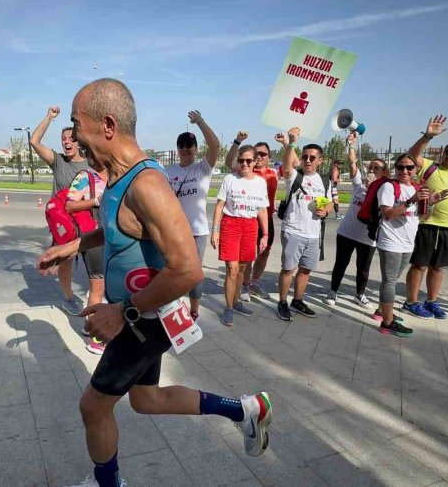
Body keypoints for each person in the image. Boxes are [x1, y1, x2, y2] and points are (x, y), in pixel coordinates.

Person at [37, 78, 273, 487]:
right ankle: (245, 409)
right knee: (147, 400)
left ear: (107, 125)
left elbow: (188, 270)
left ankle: (107, 484)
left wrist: (122, 311)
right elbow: (113, 229)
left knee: (93, 408)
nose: (74, 136)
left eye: (77, 124)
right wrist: (71, 244)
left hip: (142, 317)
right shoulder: (114, 177)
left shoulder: (146, 183)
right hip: (139, 314)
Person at [403, 115, 448, 319]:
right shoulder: (431, 167)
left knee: (438, 267)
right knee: (419, 265)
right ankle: (411, 302)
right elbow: (412, 155)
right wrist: (427, 136)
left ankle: (432, 300)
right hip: (427, 225)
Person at [30, 106, 90, 316]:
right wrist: (49, 117)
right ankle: (68, 298)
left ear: (79, 141)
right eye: (63, 138)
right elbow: (34, 142)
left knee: (94, 265)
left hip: (89, 225)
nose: (66, 141)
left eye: (70, 138)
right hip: (65, 225)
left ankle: (96, 298)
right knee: (64, 262)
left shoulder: (91, 165)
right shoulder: (58, 162)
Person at [374, 154, 443, 336]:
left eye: (409, 168)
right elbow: (388, 214)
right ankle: (387, 322)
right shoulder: (388, 187)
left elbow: (423, 216)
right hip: (390, 241)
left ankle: (382, 311)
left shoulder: (417, 187)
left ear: (415, 170)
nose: (404, 171)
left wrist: (430, 203)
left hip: (407, 243)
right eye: (400, 167)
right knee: (389, 282)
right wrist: (411, 200)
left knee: (393, 279)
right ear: (395, 169)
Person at [165, 110, 220, 320]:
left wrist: (200, 122)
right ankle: (174, 307)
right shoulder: (169, 172)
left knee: (195, 274)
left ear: (196, 149)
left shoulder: (203, 168)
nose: (186, 149)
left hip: (197, 231)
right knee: (174, 271)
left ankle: (194, 309)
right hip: (175, 231)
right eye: (182, 146)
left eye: (190, 145)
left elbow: (215, 146)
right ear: (177, 149)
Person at [275, 128, 334, 321]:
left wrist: (326, 210)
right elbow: (287, 167)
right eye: (305, 157)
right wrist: (291, 143)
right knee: (288, 269)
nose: (308, 160)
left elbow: (330, 202)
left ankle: (297, 300)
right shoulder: (295, 176)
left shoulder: (324, 181)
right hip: (293, 230)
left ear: (320, 160)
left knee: (305, 270)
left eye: (312, 157)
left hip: (314, 233)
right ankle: (282, 302)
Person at [326, 132, 389, 308]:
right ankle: (333, 291)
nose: (372, 170)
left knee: (363, 268)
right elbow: (353, 163)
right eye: (370, 167)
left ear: (384, 172)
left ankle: (359, 294)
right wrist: (351, 144)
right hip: (347, 232)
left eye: (377, 168)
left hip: (368, 237)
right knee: (341, 263)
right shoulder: (358, 185)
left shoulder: (386, 190)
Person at [211, 145, 269, 326]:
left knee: (243, 270)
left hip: (250, 226)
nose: (244, 164)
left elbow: (262, 210)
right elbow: (220, 206)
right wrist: (215, 230)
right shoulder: (230, 179)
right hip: (231, 224)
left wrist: (265, 234)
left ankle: (236, 301)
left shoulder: (260, 182)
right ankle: (228, 308)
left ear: (254, 162)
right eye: (241, 160)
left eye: (248, 161)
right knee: (232, 269)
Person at [226, 133, 278, 301]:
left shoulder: (274, 173)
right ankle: (245, 285)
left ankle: (254, 283)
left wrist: (288, 144)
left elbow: (293, 165)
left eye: (264, 154)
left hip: (266, 218)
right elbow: (228, 162)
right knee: (247, 256)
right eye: (258, 153)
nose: (261, 156)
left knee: (264, 253)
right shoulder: (245, 168)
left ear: (269, 157)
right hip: (247, 219)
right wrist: (238, 141)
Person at [66, 156, 109, 354]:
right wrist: (95, 200)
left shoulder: (115, 174)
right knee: (98, 287)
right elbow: (69, 205)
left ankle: (89, 326)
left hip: (112, 238)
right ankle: (97, 340)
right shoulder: (85, 176)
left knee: (105, 287)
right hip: (93, 237)